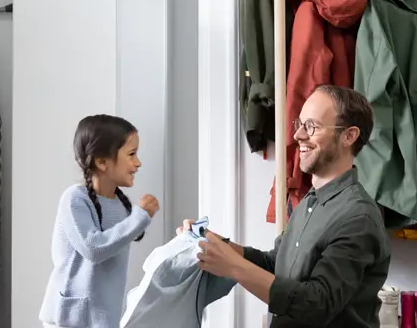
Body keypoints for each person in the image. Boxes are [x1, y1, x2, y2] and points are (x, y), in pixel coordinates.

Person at [186, 85, 392, 327]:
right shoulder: (309, 202)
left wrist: (234, 267)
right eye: (300, 124)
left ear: (349, 136)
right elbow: (276, 264)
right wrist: (217, 244)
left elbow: (317, 304)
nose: (298, 136)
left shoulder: (358, 217)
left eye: (312, 126)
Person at [40, 114, 161, 328]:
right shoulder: (75, 199)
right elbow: (94, 248)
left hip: (102, 319)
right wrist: (139, 217)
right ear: (102, 161)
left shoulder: (120, 205)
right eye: (132, 154)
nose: (138, 163)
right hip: (68, 319)